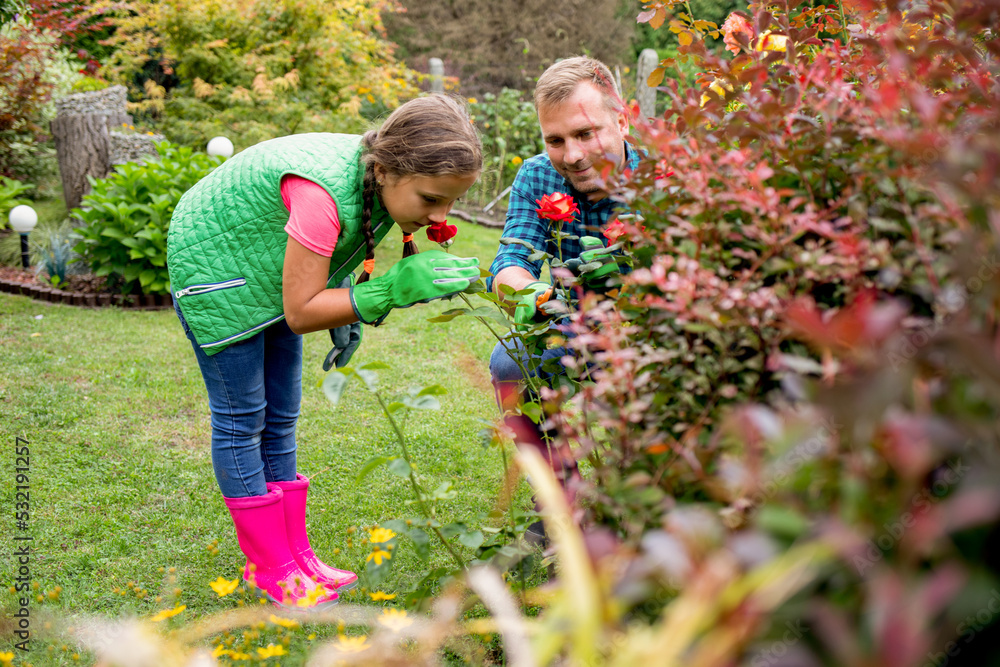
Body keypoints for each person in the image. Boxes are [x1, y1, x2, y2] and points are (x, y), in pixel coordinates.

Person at [167, 94, 482, 609]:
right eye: (431, 200)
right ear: (385, 170)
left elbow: (334, 252)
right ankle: (272, 569)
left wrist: (347, 305)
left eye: (450, 202)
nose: (440, 216)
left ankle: (296, 557)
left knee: (282, 415)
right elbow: (299, 311)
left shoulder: (371, 179)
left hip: (266, 268)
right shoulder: (323, 195)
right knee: (241, 417)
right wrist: (378, 294)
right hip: (217, 271)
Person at [487, 56, 641, 540]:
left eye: (585, 134)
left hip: (648, 325)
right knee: (511, 362)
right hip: (567, 320)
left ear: (621, 120)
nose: (572, 155)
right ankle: (556, 501)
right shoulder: (537, 176)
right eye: (555, 140)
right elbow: (511, 258)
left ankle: (641, 498)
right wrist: (525, 289)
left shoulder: (666, 174)